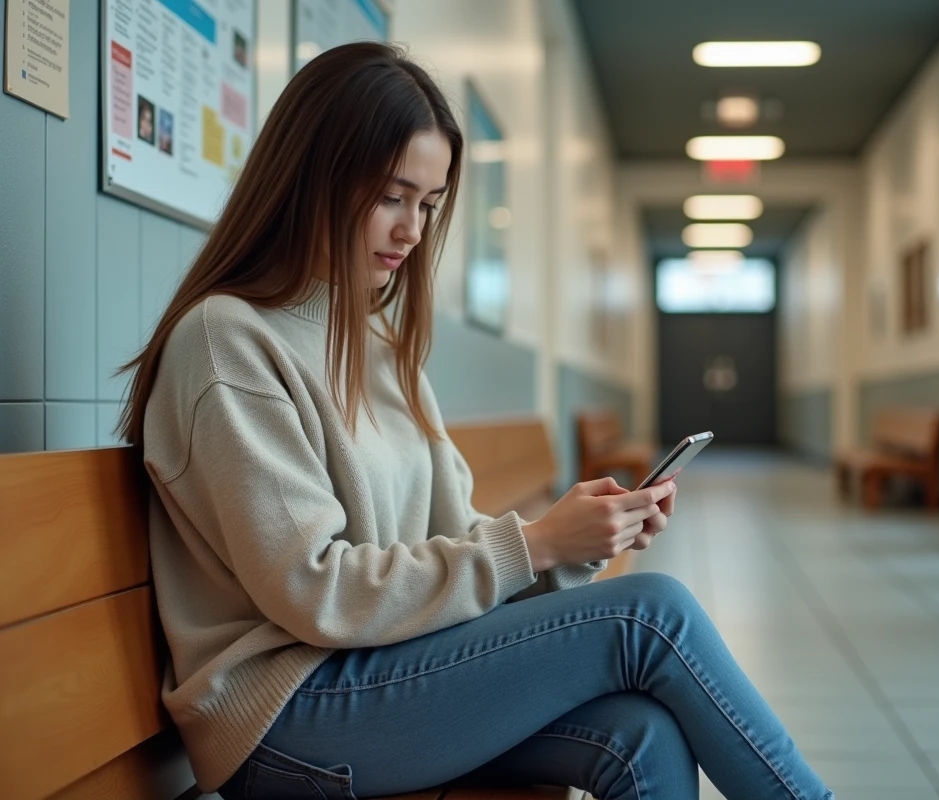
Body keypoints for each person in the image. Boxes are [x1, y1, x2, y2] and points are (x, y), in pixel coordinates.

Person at [116, 42, 833, 800]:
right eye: (391, 197)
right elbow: (314, 589)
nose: (412, 230)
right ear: (312, 176)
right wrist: (536, 542)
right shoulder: (226, 340)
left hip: (383, 673)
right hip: (286, 714)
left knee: (640, 732)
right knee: (653, 614)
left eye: (428, 204)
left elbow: (454, 539)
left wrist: (573, 548)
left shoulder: (378, 348)